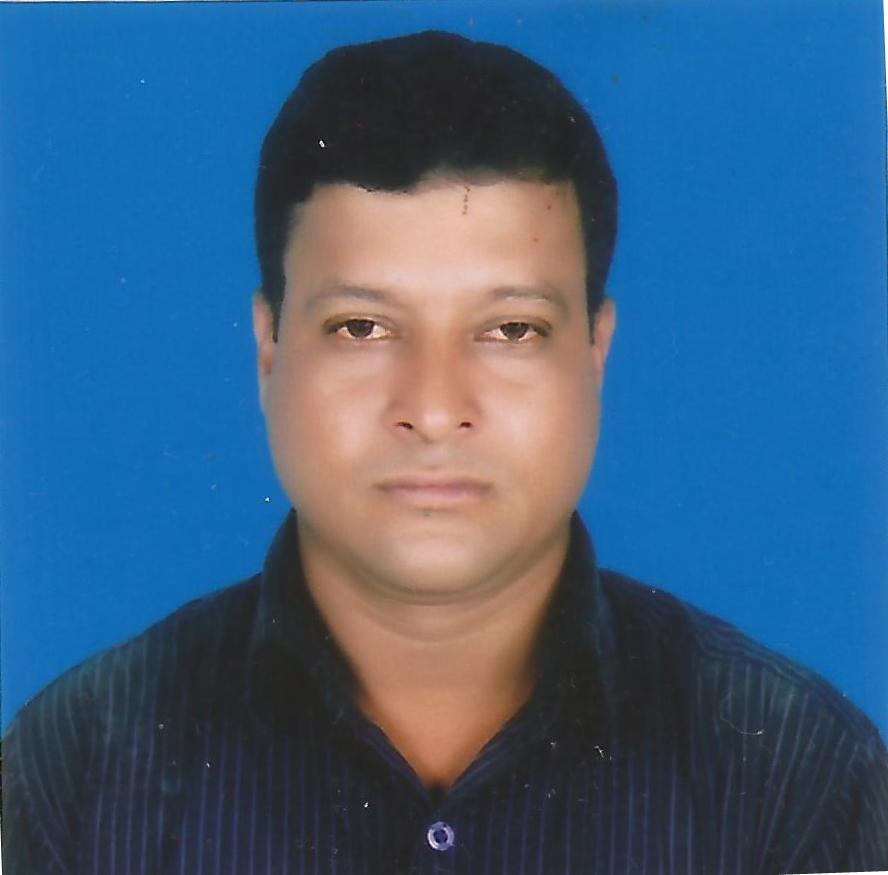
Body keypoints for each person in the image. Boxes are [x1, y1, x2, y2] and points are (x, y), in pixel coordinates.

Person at [3, 30, 886, 875]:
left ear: (596, 350)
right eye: (362, 327)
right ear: (268, 350)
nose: (432, 411)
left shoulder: (796, 775)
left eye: (511, 329)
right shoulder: (74, 769)